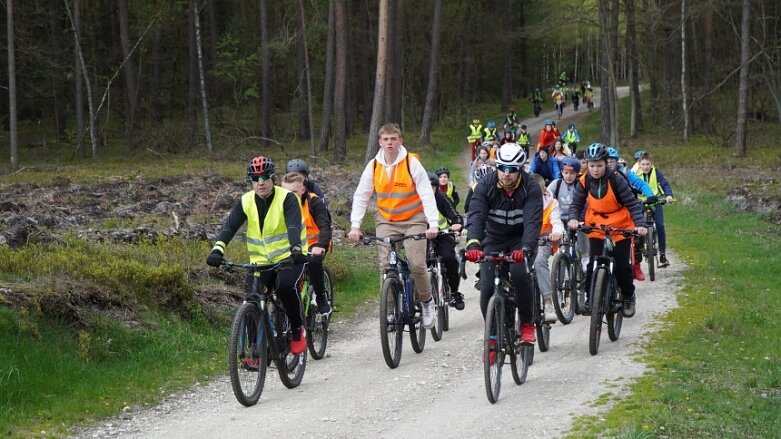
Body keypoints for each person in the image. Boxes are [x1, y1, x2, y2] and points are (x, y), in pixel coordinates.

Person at [206, 156, 309, 354]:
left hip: (289, 258)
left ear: (273, 178)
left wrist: (296, 248)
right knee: (251, 299)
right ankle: (255, 348)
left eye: (265, 177)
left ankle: (297, 329)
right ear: (251, 180)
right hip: (260, 261)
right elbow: (230, 227)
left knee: (286, 287)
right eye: (255, 178)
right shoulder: (245, 201)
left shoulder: (288, 198)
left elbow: (293, 225)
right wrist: (217, 249)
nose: (260, 182)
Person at [347, 123, 440, 328]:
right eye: (386, 139)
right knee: (387, 267)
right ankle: (390, 311)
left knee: (416, 264)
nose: (390, 143)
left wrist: (433, 224)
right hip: (387, 221)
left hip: (413, 220)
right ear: (380, 142)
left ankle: (426, 302)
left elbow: (426, 193)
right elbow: (362, 195)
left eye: (393, 139)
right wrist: (356, 225)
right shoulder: (373, 166)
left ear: (400, 141)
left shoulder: (411, 163)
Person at [464, 143, 543, 344]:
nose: (506, 174)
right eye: (502, 168)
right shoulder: (485, 185)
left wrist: (526, 248)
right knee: (488, 286)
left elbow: (533, 222)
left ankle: (526, 323)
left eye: (512, 169)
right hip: (495, 238)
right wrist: (473, 244)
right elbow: (476, 215)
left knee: (519, 273)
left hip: (521, 238)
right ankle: (491, 336)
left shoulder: (530, 187)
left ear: (520, 169)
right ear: (496, 166)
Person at [567, 143, 647, 318]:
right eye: (592, 165)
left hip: (620, 225)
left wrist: (640, 224)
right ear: (587, 164)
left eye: (599, 165)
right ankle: (590, 298)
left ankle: (628, 296)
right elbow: (577, 204)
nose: (595, 170)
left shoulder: (617, 179)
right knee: (592, 263)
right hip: (596, 225)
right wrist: (573, 218)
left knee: (623, 267)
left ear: (606, 164)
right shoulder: (584, 180)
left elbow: (632, 204)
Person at [281, 172, 333, 315]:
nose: (289, 196)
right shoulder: (279, 205)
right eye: (285, 192)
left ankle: (321, 298)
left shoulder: (314, 202)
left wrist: (321, 245)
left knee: (313, 262)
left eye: (293, 192)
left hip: (314, 244)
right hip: (292, 246)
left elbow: (325, 226)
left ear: (303, 190)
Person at [606, 147, 655, 281]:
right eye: (607, 160)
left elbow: (641, 184)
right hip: (608, 212)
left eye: (612, 160)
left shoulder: (625, 173)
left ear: (616, 161)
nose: (610, 163)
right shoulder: (598, 174)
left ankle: (636, 266)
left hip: (628, 208)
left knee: (637, 236)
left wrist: (650, 195)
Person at [427, 172, 466, 310]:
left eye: (432, 187)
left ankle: (454, 292)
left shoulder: (441, 197)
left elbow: (455, 214)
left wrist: (457, 224)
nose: (429, 189)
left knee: (450, 258)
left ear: (437, 187)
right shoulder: (414, 199)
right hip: (422, 237)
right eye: (426, 186)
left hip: (443, 234)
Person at [530, 173, 564, 323]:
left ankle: (548, 301)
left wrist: (556, 232)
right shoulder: (520, 201)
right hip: (524, 241)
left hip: (544, 240)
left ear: (544, 190)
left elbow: (556, 221)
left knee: (538, 262)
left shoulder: (552, 203)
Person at [633, 151, 675, 268]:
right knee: (637, 226)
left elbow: (665, 184)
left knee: (660, 225)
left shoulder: (656, 172)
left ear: (651, 164)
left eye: (648, 164)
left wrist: (669, 195)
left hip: (655, 201)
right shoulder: (635, 174)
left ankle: (662, 255)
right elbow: (630, 187)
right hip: (641, 202)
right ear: (639, 164)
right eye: (643, 164)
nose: (645, 167)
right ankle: (637, 250)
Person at [549, 156, 590, 273]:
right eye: (566, 173)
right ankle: (560, 268)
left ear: (577, 173)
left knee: (582, 231)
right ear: (561, 172)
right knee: (563, 246)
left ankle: (585, 256)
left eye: (572, 173)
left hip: (577, 218)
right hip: (560, 220)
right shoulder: (556, 184)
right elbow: (546, 198)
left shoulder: (581, 185)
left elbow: (586, 203)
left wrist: (579, 219)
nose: (568, 176)